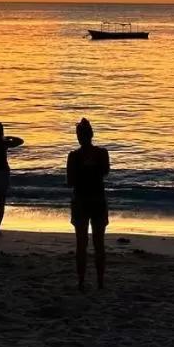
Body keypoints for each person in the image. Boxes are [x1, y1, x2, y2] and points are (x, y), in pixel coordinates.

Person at [67, 117, 110, 292]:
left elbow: (70, 181)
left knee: (81, 244)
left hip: (81, 201)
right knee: (98, 243)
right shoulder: (102, 153)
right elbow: (105, 172)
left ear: (79, 136)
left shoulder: (74, 156)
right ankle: (100, 281)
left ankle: (81, 281)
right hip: (97, 200)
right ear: (92, 135)